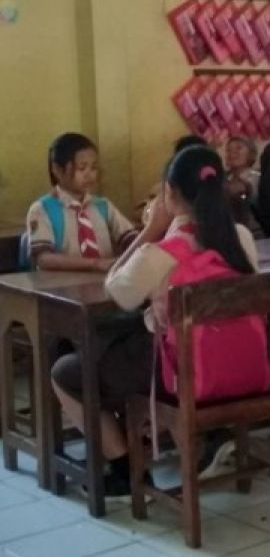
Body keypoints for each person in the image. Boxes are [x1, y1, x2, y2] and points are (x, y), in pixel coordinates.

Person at [49, 146, 258, 496]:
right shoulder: (241, 238)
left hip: (183, 373)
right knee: (124, 352)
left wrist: (151, 229)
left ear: (170, 195)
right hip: (244, 365)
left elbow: (117, 290)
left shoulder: (161, 252)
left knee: (68, 372)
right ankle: (206, 437)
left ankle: (124, 468)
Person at [27, 133, 137, 271]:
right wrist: (95, 264)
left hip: (102, 281)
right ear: (58, 170)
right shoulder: (42, 209)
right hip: (60, 286)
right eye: (82, 168)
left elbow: (131, 239)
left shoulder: (103, 206)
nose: (89, 174)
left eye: (94, 168)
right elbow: (43, 259)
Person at [224, 136, 261, 236]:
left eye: (239, 148)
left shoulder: (256, 177)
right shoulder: (224, 178)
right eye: (228, 150)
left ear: (250, 153)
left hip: (253, 232)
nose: (233, 152)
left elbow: (239, 190)